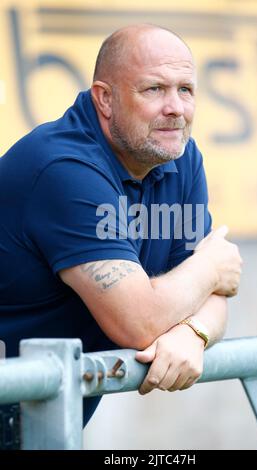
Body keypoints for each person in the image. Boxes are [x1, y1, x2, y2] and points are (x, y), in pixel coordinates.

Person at [0, 24, 242, 428]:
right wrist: (210, 267)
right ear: (105, 99)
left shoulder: (178, 157)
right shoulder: (63, 167)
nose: (176, 108)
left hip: (41, 418)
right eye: (154, 89)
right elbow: (139, 321)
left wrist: (194, 333)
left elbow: (211, 296)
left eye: (186, 89)